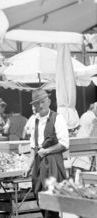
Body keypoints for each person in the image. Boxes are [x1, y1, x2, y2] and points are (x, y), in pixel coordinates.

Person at [23, 88, 69, 218]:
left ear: (48, 101)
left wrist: (47, 150)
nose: (41, 105)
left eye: (43, 101)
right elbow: (33, 147)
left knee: (53, 198)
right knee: (39, 196)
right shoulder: (34, 121)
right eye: (37, 103)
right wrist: (28, 166)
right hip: (39, 163)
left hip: (53, 161)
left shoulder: (57, 118)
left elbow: (64, 144)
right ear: (34, 106)